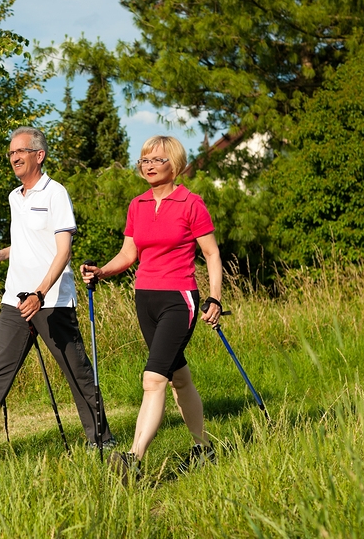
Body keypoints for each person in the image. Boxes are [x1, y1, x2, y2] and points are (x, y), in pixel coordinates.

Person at [0, 126, 114, 464]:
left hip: (50, 301)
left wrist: (41, 293)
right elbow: (27, 244)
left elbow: (63, 251)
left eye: (20, 152)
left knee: (77, 372)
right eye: (11, 153)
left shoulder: (55, 193)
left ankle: (102, 441)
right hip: (15, 299)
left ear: (39, 155)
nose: (14, 157)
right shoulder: (16, 196)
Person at [80, 135, 223, 482]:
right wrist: (102, 270)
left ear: (174, 164)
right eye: (144, 160)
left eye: (156, 160)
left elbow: (212, 254)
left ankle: (133, 457)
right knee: (179, 379)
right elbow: (129, 255)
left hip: (179, 299)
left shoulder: (191, 203)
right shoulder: (137, 204)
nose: (148, 166)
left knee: (153, 378)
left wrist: (215, 298)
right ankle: (204, 449)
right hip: (145, 298)